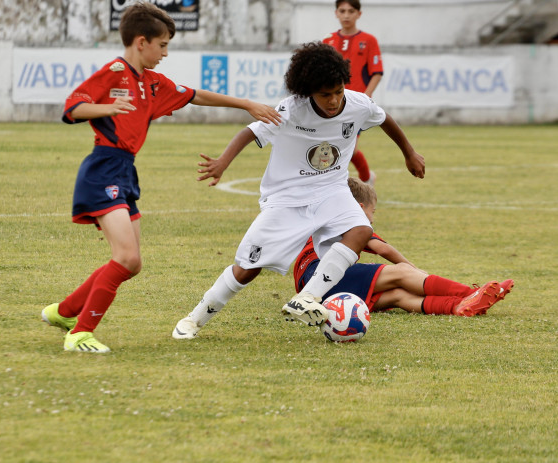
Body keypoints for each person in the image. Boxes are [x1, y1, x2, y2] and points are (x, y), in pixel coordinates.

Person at [40, 2, 281, 353]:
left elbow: (194, 95)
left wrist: (246, 104)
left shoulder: (151, 83)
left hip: (125, 171)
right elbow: (72, 108)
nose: (165, 53)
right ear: (141, 42)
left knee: (132, 263)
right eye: (163, 45)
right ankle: (79, 333)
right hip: (102, 168)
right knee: (125, 258)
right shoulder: (114, 72)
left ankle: (63, 312)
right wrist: (106, 107)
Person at [172, 42, 425, 340]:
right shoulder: (291, 109)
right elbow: (250, 132)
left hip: (332, 188)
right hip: (287, 197)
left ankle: (307, 297)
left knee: (360, 230)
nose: (333, 100)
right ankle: (195, 318)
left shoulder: (358, 104)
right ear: (307, 92)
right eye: (324, 94)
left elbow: (384, 120)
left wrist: (409, 153)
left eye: (338, 91)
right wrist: (222, 162)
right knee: (248, 268)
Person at [294, 178, 514, 316]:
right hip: (321, 276)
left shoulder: (326, 220)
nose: (371, 219)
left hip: (316, 292)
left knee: (398, 295)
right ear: (360, 208)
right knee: (401, 273)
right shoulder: (349, 220)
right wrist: (414, 270)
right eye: (373, 212)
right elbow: (384, 250)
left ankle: (457, 307)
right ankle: (473, 293)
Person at [323, 0, 382, 186]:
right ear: (336, 13)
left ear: (359, 14)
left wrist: (366, 96)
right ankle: (362, 178)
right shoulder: (328, 41)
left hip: (354, 103)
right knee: (332, 145)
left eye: (351, 11)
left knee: (350, 147)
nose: (346, 15)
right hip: (331, 102)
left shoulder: (369, 40)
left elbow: (377, 72)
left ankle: (365, 179)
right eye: (342, 11)